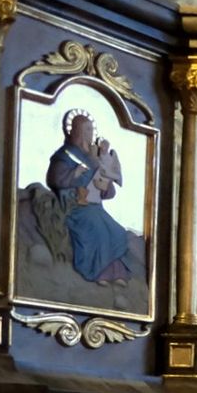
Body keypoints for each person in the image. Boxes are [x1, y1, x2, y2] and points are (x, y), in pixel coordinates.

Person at [47, 111, 132, 284]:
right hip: (74, 206)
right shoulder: (65, 155)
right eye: (86, 130)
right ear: (77, 131)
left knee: (115, 230)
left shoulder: (94, 158)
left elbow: (105, 185)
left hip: (94, 206)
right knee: (96, 228)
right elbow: (56, 179)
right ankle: (98, 273)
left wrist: (105, 187)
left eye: (91, 129)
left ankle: (116, 273)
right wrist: (75, 173)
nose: (90, 133)